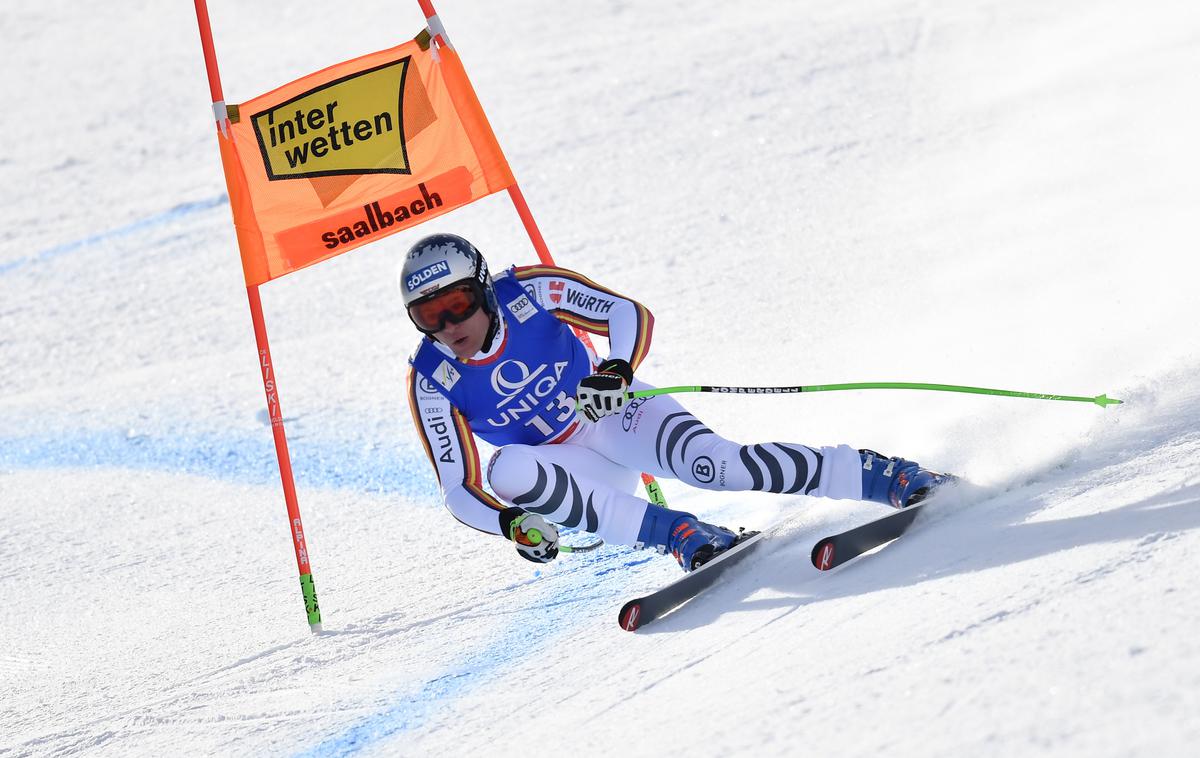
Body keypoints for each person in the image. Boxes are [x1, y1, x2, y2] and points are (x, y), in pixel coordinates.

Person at [403, 233, 951, 572]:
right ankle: (682, 535)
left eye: (458, 304)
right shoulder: (432, 379)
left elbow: (626, 313)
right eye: (431, 317)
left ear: (483, 289)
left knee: (717, 467)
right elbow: (458, 488)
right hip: (574, 472)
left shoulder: (528, 289)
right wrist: (510, 524)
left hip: (611, 412)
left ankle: (885, 476)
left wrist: (617, 368)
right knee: (509, 471)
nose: (451, 326)